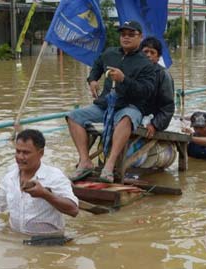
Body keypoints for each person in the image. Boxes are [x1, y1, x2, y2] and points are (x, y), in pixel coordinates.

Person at [66, 21, 156, 183]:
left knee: (126, 118)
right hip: (105, 105)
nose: (126, 38)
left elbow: (146, 91)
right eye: (123, 34)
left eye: (131, 34)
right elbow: (97, 65)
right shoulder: (110, 53)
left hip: (129, 106)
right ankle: (85, 161)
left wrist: (124, 80)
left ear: (140, 37)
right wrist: (92, 79)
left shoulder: (146, 64)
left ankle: (109, 165)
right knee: (73, 116)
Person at [0, 129, 79, 235]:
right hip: (16, 239)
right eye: (18, 151)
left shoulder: (54, 176)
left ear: (41, 153)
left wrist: (45, 194)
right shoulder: (10, 175)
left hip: (49, 241)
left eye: (26, 153)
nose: (20, 157)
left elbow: (73, 210)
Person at [139, 36, 175, 138]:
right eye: (145, 52)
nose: (148, 55)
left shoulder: (164, 76)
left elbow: (168, 107)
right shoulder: (134, 71)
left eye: (152, 52)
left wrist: (155, 124)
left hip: (153, 120)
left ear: (158, 57)